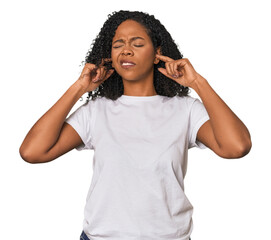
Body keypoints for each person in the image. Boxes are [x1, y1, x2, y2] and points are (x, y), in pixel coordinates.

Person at [19, 10, 252, 240]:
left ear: (157, 53)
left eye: (137, 44)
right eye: (118, 44)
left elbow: (236, 146)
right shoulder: (96, 111)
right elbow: (33, 151)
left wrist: (198, 83)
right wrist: (79, 88)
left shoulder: (185, 109)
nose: (126, 50)